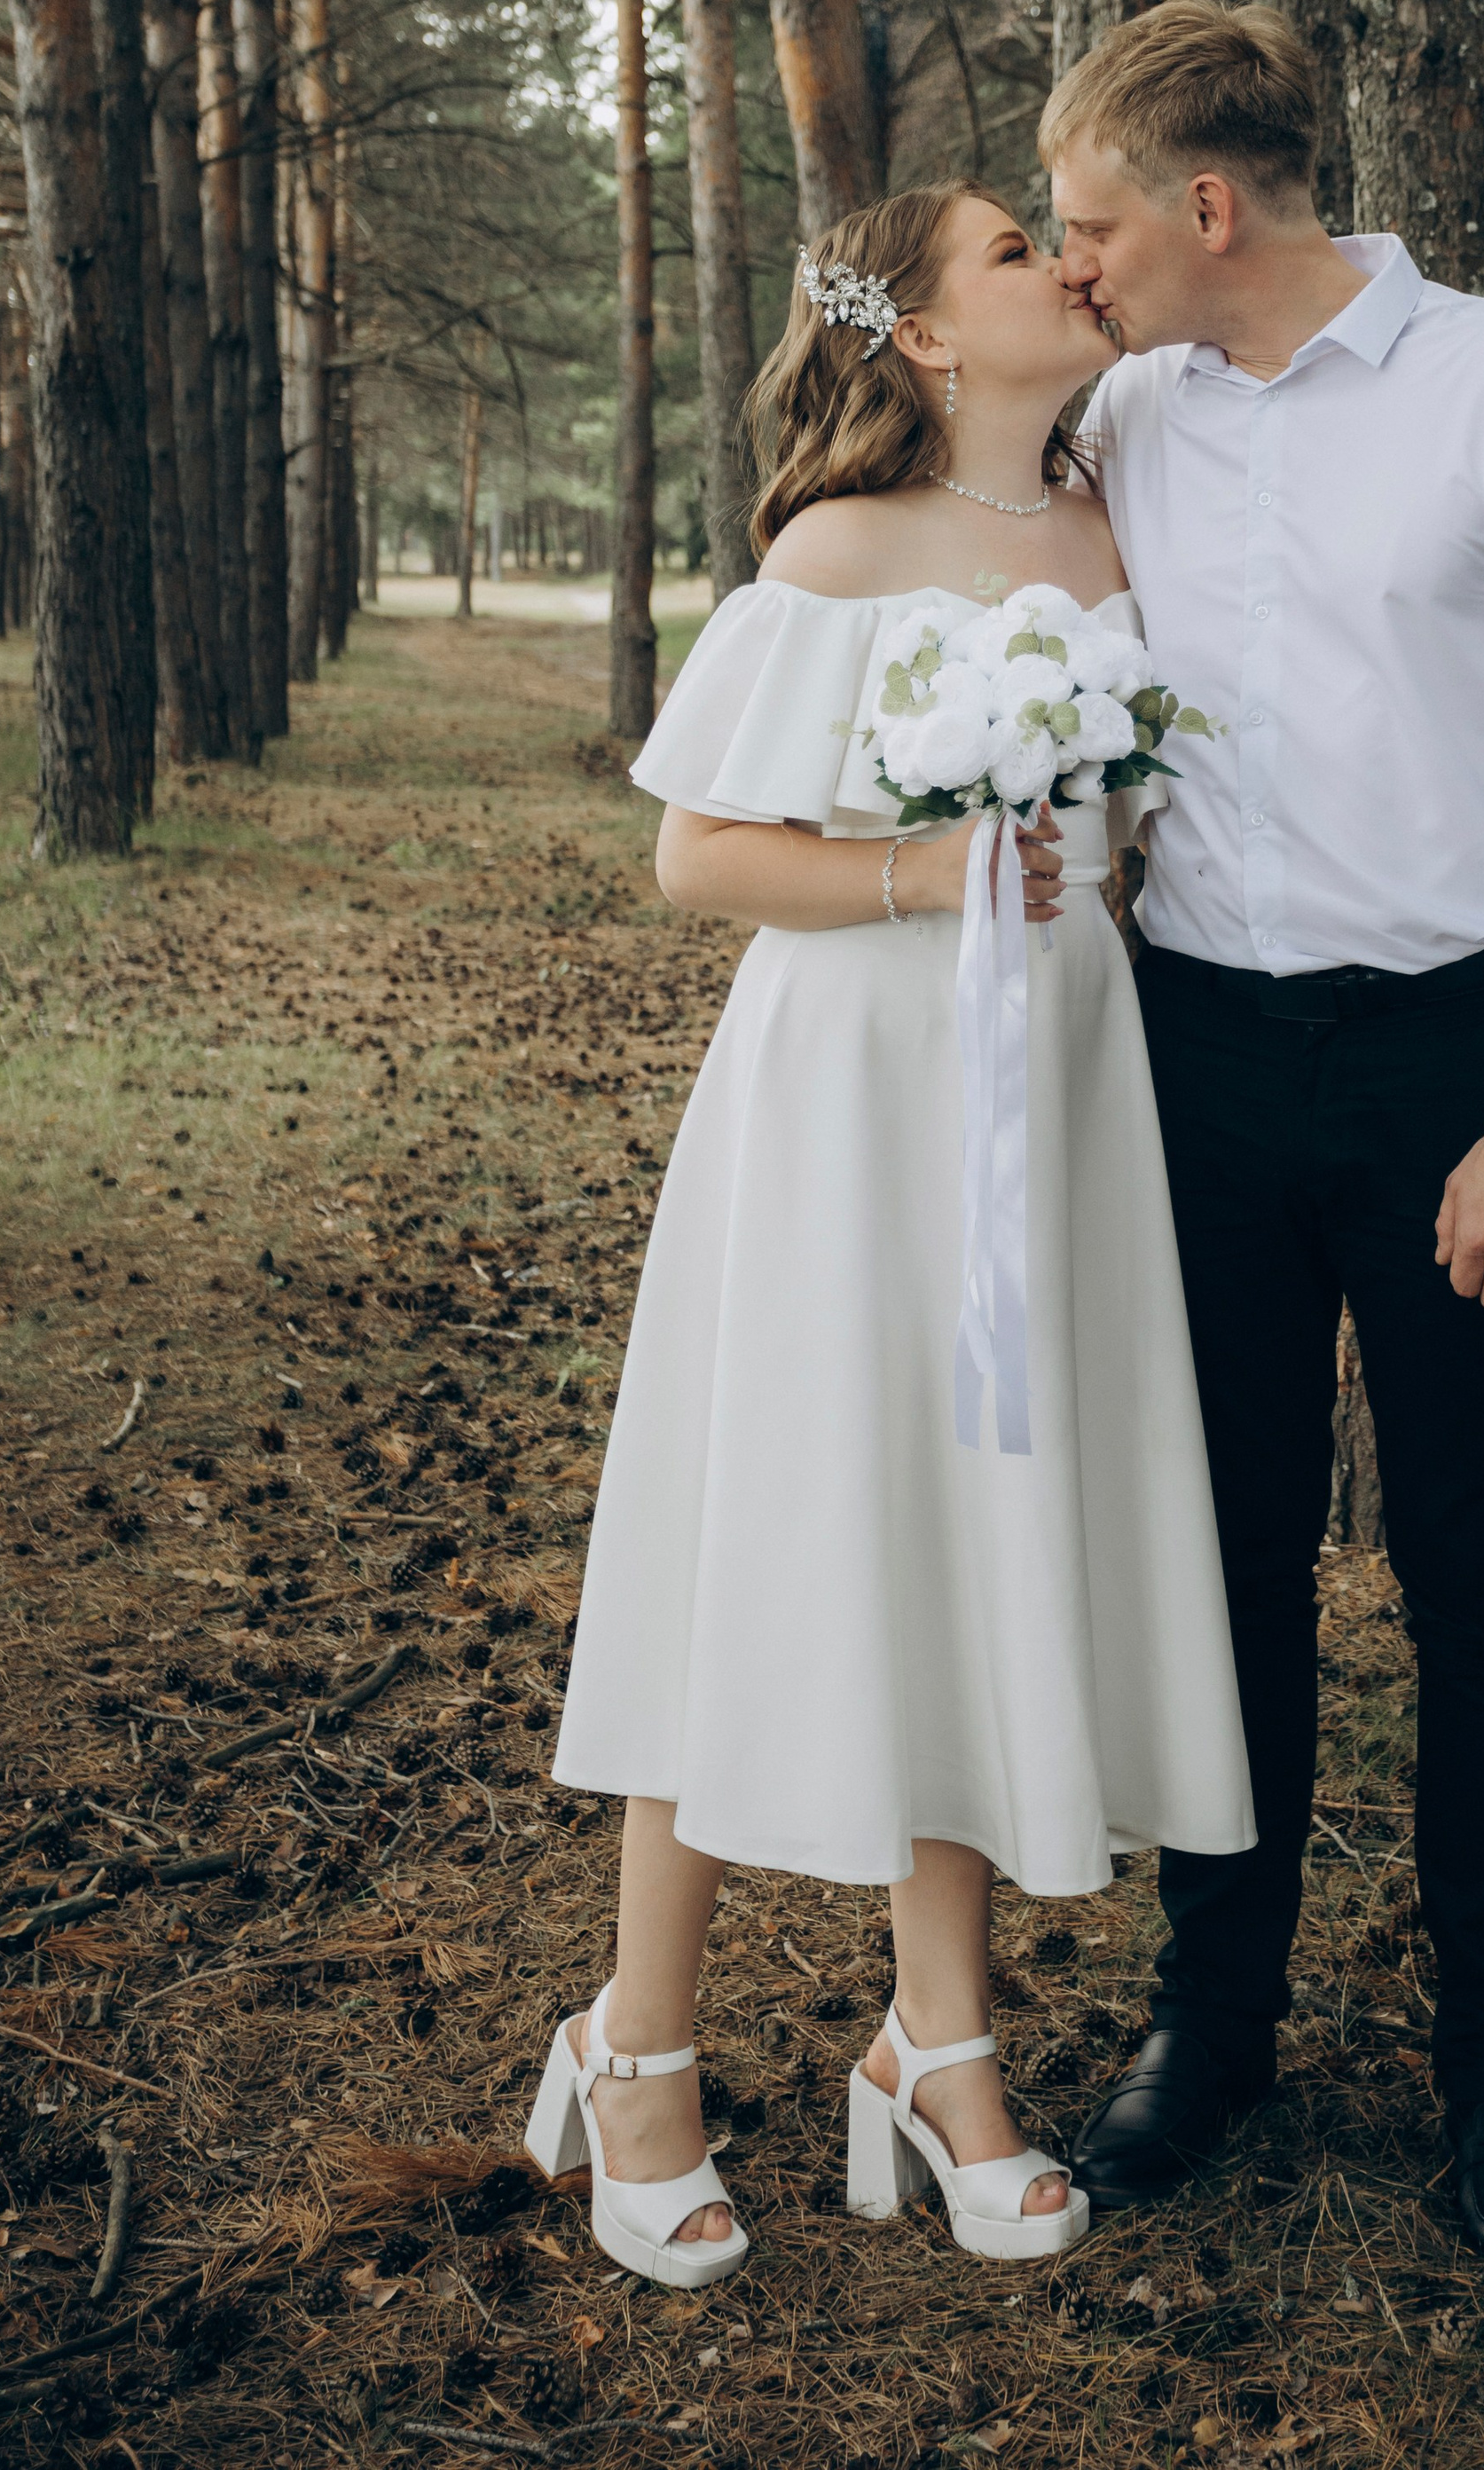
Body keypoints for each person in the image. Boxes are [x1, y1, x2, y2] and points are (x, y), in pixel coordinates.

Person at [530, 177, 1254, 2287]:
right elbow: (693, 856)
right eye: (1018, 251)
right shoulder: (834, 554)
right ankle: (634, 2040)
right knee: (763, 1526)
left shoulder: (1118, 538)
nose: (1066, 267)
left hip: (1056, 1096)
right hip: (851, 1090)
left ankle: (938, 2049)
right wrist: (919, 884)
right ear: (929, 336)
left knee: (971, 1530)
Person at [1048, 0, 1484, 2280]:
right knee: (1216, 1569)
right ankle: (1211, 2025)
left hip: (1453, 1066)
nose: (1075, 261)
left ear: (1206, 208)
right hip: (1196, 1059)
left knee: (1472, 1575)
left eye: (1095, 218)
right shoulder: (1115, 414)